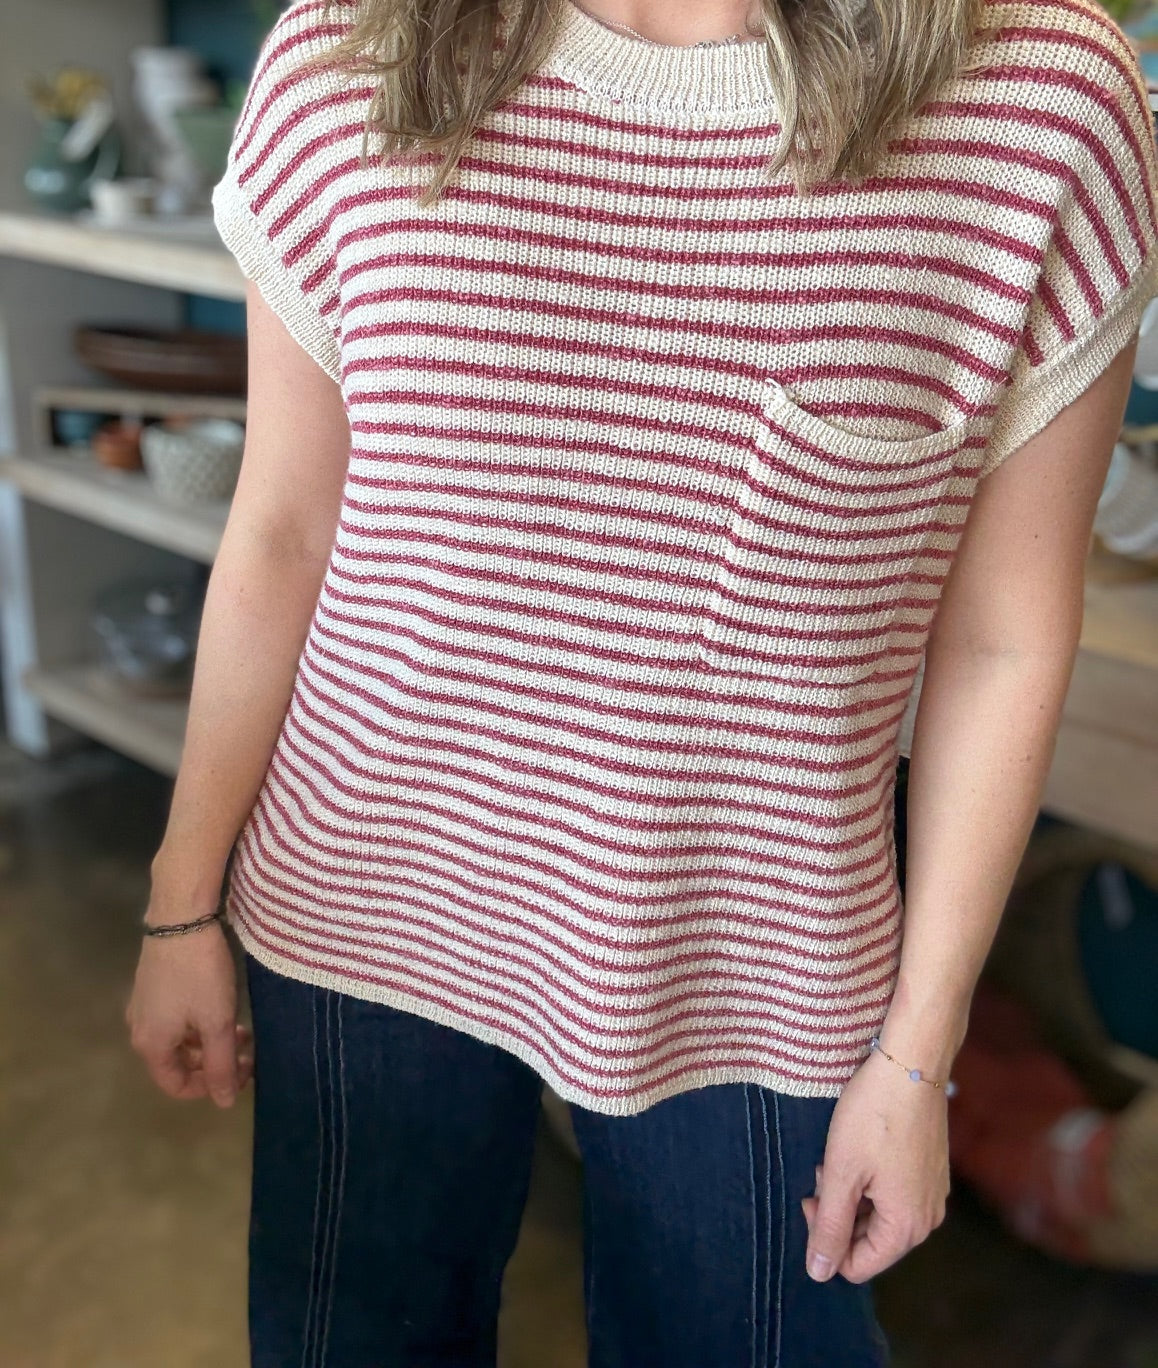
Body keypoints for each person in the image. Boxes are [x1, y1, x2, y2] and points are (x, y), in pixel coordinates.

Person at [126, 0, 1158, 1363]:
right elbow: (283, 530)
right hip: (366, 894)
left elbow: (1005, 638)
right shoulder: (350, 49)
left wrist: (918, 1058)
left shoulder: (1038, 101)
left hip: (755, 953)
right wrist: (179, 902)